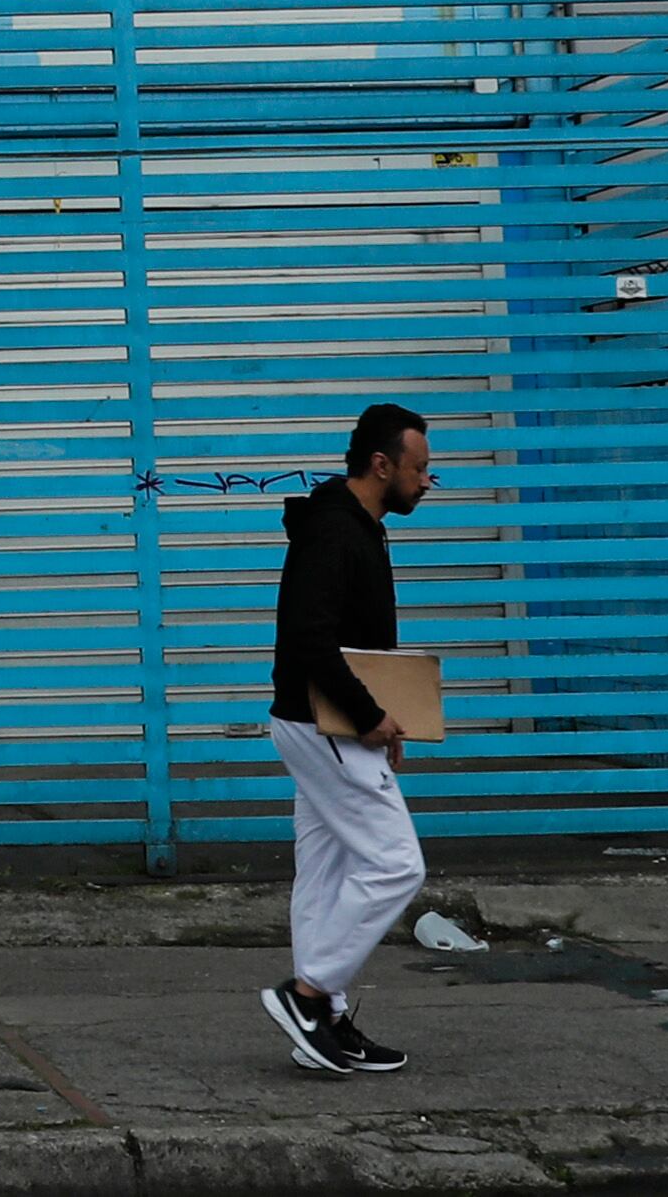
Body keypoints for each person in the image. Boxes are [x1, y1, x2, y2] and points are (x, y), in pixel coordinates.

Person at [260, 402, 436, 1078]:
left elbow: (358, 644)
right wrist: (365, 716)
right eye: (420, 469)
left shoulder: (357, 526)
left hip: (324, 723)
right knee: (396, 864)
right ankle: (306, 996)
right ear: (381, 464)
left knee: (327, 872)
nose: (427, 481)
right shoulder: (335, 531)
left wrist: (383, 717)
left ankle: (324, 1019)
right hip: (323, 723)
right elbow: (310, 638)